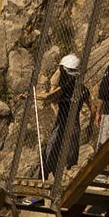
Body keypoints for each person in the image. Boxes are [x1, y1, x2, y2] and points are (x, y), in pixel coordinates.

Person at [37, 53, 84, 182]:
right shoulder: (82, 88)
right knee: (71, 153)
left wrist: (31, 96)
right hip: (75, 125)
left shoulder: (66, 87)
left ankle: (47, 176)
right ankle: (66, 176)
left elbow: (49, 97)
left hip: (62, 123)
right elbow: (92, 106)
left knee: (52, 149)